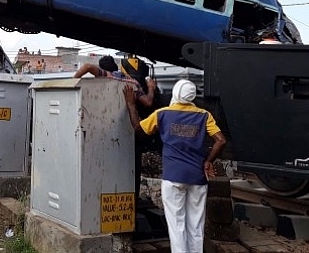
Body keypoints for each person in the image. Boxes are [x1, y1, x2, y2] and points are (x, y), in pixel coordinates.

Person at [124, 79, 227, 253]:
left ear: (176, 93)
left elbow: (138, 129)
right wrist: (208, 161)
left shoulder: (163, 114)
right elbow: (221, 140)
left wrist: (131, 104)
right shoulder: (204, 115)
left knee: (177, 225)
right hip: (197, 178)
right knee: (196, 226)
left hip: (173, 177)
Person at [74, 55, 157, 207]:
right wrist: (151, 88)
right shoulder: (132, 83)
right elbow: (148, 102)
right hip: (129, 133)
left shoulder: (106, 77)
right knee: (131, 169)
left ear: (103, 68)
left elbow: (86, 67)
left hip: (102, 133)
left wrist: (71, 85)